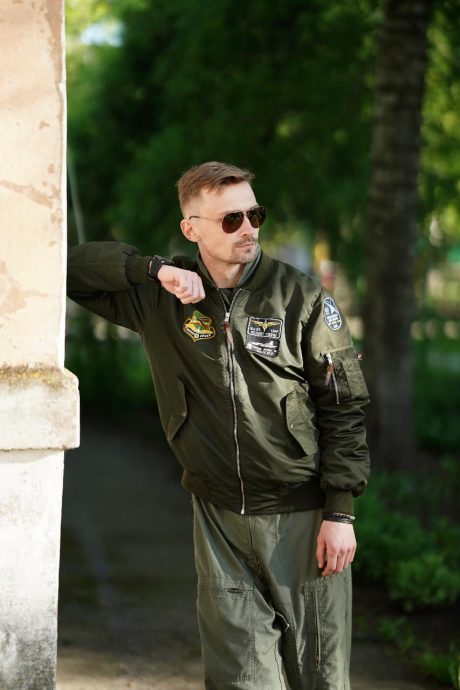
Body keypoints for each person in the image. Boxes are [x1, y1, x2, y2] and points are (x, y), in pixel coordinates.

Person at [67, 161, 370, 690]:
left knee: (320, 676)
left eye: (255, 214)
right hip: (218, 519)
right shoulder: (161, 300)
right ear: (192, 229)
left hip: (301, 517)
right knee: (239, 679)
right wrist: (153, 269)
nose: (248, 228)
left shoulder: (301, 297)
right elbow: (69, 270)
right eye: (231, 219)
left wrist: (340, 511)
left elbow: (343, 405)